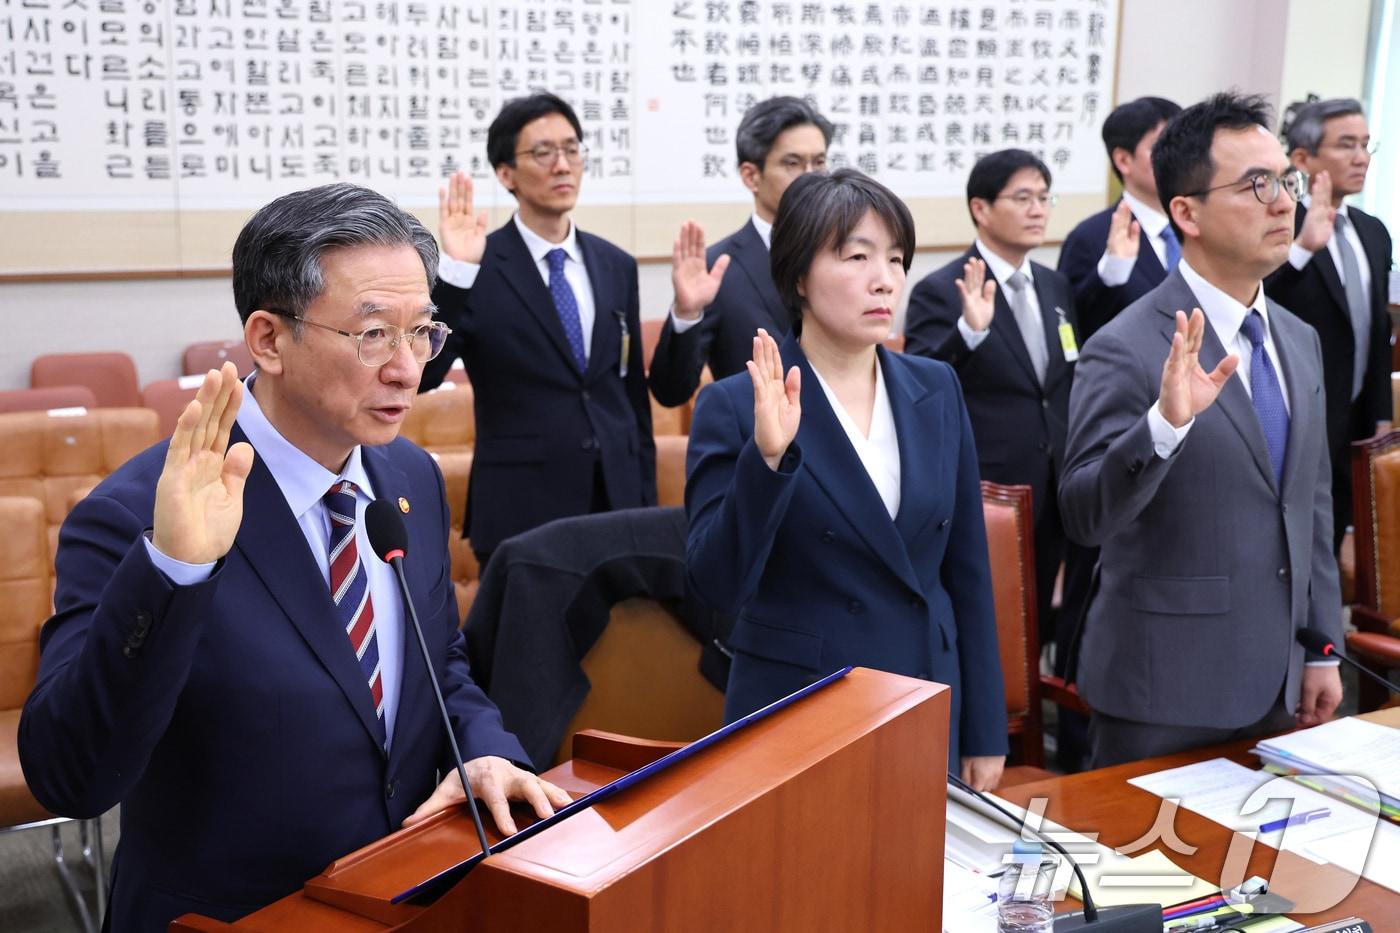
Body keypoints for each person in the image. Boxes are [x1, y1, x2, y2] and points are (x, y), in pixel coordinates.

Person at [19, 184, 570, 930]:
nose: (409, 369)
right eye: (374, 334)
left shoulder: (408, 477)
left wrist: (484, 750)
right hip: (238, 915)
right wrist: (175, 571)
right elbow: (71, 775)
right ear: (270, 339)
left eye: (422, 332)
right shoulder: (139, 514)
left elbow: (440, 664)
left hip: (399, 893)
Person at [685, 168, 1008, 789]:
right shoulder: (736, 404)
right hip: (801, 705)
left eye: (894, 258)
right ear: (799, 276)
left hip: (924, 688)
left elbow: (966, 570)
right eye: (856, 256)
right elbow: (716, 583)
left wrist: (986, 728)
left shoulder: (935, 387)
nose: (884, 278)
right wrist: (768, 460)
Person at [1059, 93, 1343, 768]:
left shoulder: (1298, 340)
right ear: (1185, 211)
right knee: (1149, 876)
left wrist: (1321, 643)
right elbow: (1082, 513)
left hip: (1277, 683)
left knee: (1263, 873)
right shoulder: (1125, 346)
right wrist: (1163, 425)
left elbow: (1312, 504)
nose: (1283, 203)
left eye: (1287, 181)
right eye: (1257, 184)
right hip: (1162, 693)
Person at [420, 92, 656, 567]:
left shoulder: (616, 265)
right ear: (506, 173)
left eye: (572, 149)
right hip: (521, 508)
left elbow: (629, 393)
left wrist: (644, 498)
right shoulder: (477, 265)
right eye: (543, 153)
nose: (563, 165)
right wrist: (457, 275)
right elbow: (425, 373)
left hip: (617, 500)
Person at [903, 149, 1080, 659]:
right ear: (980, 208)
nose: (1038, 210)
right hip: (986, 486)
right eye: (1022, 198)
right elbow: (920, 388)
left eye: (1044, 198)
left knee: (1040, 614)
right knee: (986, 621)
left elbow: (1063, 377)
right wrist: (968, 334)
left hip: (1054, 477)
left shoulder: (1054, 285)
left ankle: (1029, 717)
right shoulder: (943, 290)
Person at [1265, 97, 1394, 553]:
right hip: (1293, 416)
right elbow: (1255, 300)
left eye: (1364, 144)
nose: (1361, 158)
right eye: (1346, 145)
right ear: (1302, 158)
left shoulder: (1373, 230)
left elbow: (1378, 331)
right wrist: (1302, 249)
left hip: (1354, 420)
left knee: (1332, 536)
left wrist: (1380, 412)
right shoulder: (1277, 221)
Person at [648, 96, 834, 407]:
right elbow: (671, 391)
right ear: (751, 176)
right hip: (758, 448)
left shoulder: (851, 257)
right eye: (792, 163)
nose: (811, 176)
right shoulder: (717, 269)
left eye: (819, 162)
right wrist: (686, 313)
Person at [1057, 96, 1183, 341]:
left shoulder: (1198, 227)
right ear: (1124, 160)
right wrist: (1112, 270)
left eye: (1183, 146)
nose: (1178, 158)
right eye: (1163, 147)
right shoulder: (1090, 238)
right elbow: (1072, 328)